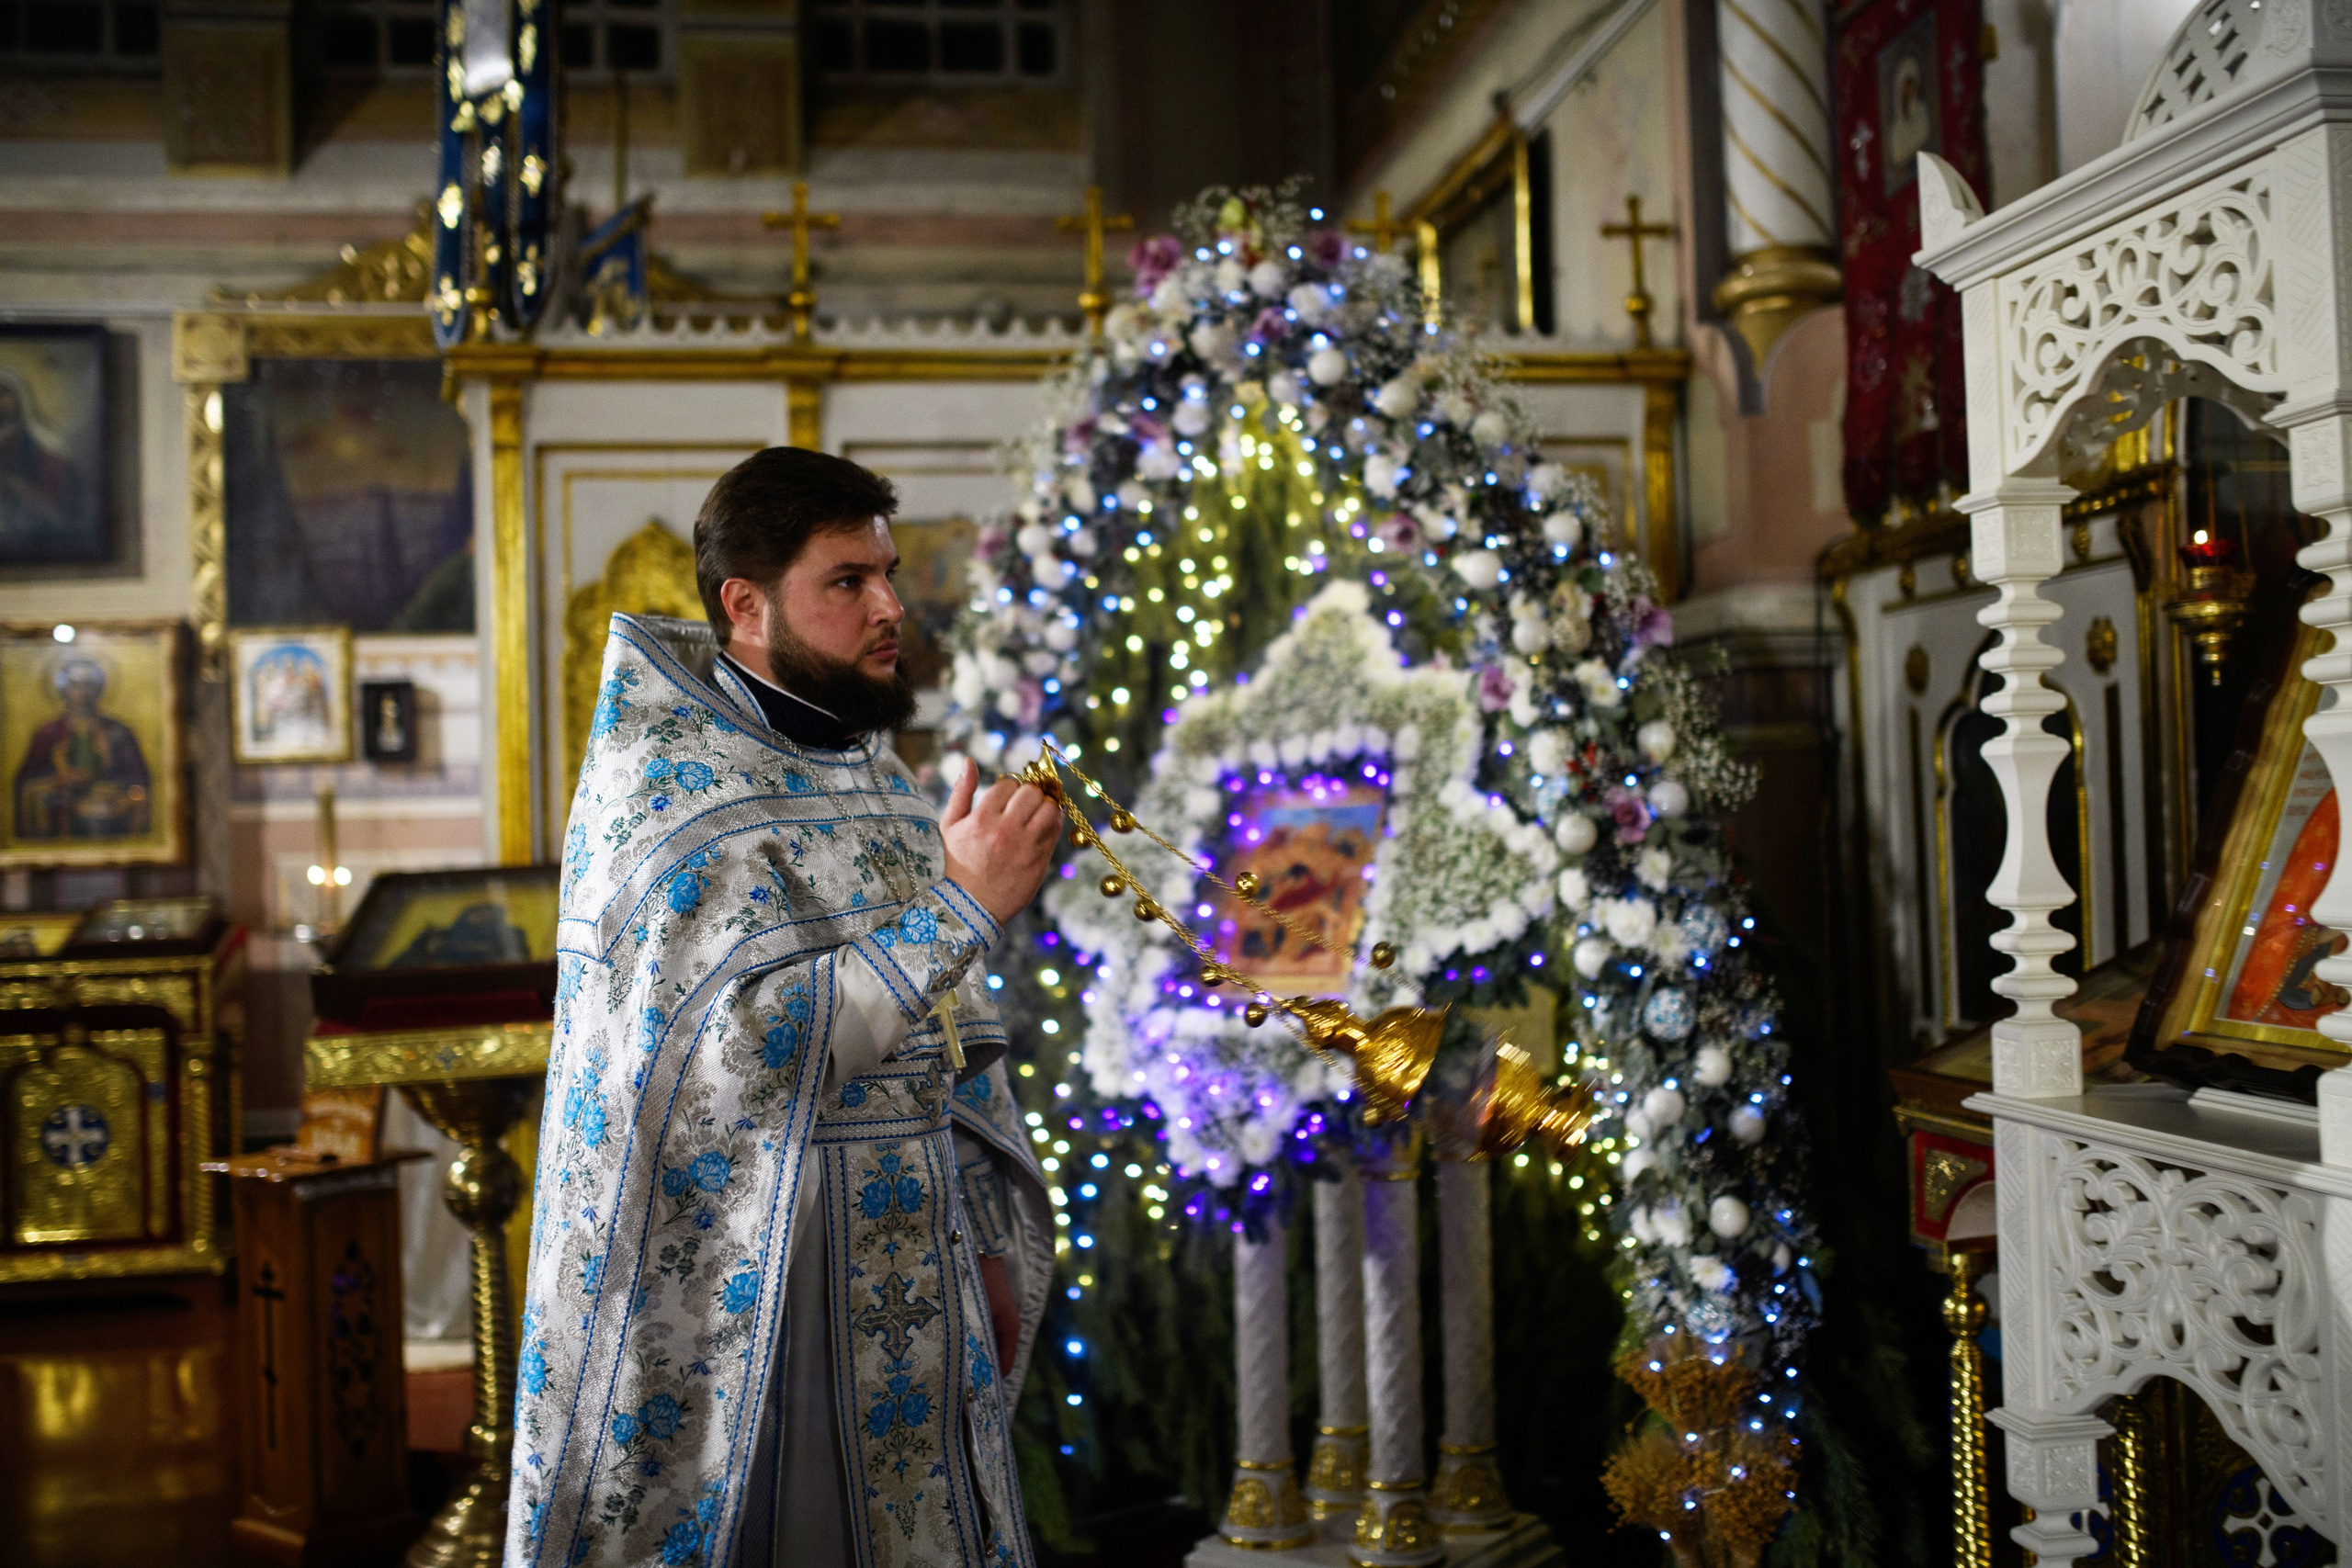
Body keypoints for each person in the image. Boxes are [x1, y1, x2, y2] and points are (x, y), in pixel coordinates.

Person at [506, 447, 1061, 1568]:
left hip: (914, 1275)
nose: (889, 606)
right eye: (847, 581)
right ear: (745, 604)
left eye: (887, 574)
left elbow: (950, 1037)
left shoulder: (869, 768)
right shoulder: (661, 789)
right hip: (754, 1292)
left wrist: (993, 1247)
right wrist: (960, 905)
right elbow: (736, 1061)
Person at [14, 657, 151, 840]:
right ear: (65, 689)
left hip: (106, 807)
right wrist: (59, 780)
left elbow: (139, 780)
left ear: (99, 689)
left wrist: (116, 790)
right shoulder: (49, 732)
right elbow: (26, 782)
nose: (82, 692)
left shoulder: (118, 732)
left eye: (88, 685)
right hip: (59, 805)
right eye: (75, 685)